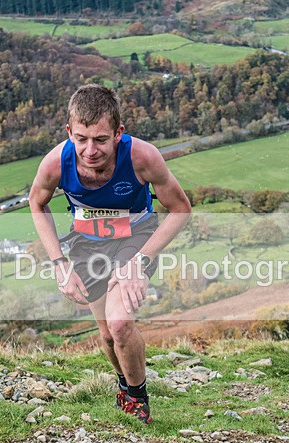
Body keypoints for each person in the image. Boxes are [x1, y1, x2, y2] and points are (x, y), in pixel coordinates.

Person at [30, 84, 191, 424]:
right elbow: (37, 202)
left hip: (136, 237)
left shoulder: (141, 157)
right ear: (69, 132)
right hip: (88, 244)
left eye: (101, 140)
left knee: (119, 324)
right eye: (82, 138)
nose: (90, 150)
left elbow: (180, 209)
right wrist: (60, 263)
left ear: (118, 133)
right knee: (106, 334)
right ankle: (124, 383)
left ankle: (138, 399)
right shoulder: (56, 163)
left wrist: (140, 260)